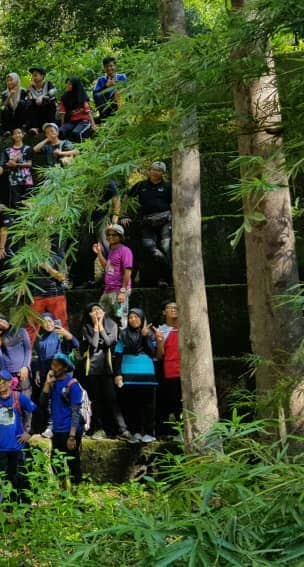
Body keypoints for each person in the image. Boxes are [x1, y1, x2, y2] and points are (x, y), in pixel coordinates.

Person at [0, 369, 38, 501]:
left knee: (21, 479)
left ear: (9, 383)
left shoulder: (19, 397)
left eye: (3, 380)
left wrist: (30, 433)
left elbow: (38, 412)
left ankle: (24, 509)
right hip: (0, 447)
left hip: (18, 447)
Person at [79, 303, 127, 440]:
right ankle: (99, 429)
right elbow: (94, 345)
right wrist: (95, 328)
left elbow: (108, 342)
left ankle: (122, 429)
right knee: (96, 400)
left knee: (112, 399)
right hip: (92, 367)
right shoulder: (86, 327)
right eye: (93, 311)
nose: (96, 312)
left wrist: (101, 328)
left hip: (108, 367)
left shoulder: (112, 324)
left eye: (99, 310)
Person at [40, 354, 85, 485]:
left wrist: (72, 436)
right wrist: (47, 383)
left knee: (73, 464)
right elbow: (42, 403)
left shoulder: (72, 385)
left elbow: (75, 412)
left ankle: (77, 495)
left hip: (69, 430)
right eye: (52, 364)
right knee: (56, 464)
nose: (53, 368)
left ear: (65, 368)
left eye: (57, 365)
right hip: (57, 430)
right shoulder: (53, 384)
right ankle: (63, 493)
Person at [126, 161, 172, 287]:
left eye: (159, 170)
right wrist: (124, 216)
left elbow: (175, 203)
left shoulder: (167, 187)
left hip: (164, 221)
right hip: (146, 221)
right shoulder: (141, 185)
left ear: (163, 173)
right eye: (153, 169)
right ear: (149, 170)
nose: (155, 172)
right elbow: (128, 200)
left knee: (166, 246)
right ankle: (167, 265)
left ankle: (164, 278)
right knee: (148, 246)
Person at [31, 313, 78, 435]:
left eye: (50, 321)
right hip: (46, 373)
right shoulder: (40, 338)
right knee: (49, 401)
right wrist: (36, 371)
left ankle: (69, 426)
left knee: (63, 399)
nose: (48, 323)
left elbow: (76, 345)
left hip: (62, 372)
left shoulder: (59, 334)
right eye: (44, 321)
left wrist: (66, 333)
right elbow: (38, 357)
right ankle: (51, 426)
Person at [116, 308, 158, 443]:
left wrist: (145, 336)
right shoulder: (123, 334)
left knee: (148, 405)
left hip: (146, 374)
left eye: (136, 317)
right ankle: (135, 432)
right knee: (131, 405)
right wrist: (118, 374)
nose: (133, 320)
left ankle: (149, 433)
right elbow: (118, 355)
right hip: (128, 374)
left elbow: (153, 353)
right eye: (130, 317)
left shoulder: (149, 333)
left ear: (142, 318)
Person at [95, 223, 134, 320]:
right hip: (108, 290)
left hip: (119, 291)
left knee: (120, 319)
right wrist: (99, 253)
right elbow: (107, 268)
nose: (110, 237)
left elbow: (128, 271)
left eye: (114, 235)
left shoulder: (125, 251)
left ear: (121, 237)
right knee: (102, 317)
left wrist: (123, 291)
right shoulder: (112, 251)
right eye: (109, 235)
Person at [155, 302, 181, 440]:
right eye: (170, 308)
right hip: (169, 370)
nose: (173, 310)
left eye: (176, 308)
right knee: (171, 400)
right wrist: (159, 342)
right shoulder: (161, 330)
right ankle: (168, 431)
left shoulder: (185, 327)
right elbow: (160, 356)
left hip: (186, 370)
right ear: (164, 312)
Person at [0, 128, 34, 208]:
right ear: (12, 136)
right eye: (15, 133)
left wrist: (16, 164)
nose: (17, 135)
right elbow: (5, 164)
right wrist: (10, 162)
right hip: (14, 180)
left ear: (23, 135)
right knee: (16, 203)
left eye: (19, 133)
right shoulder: (8, 150)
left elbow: (30, 164)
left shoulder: (28, 148)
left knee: (29, 203)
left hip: (27, 180)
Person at [57, 77, 96, 143]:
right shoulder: (64, 97)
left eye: (70, 84)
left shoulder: (81, 96)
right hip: (71, 122)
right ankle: (64, 148)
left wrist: (93, 125)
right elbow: (62, 113)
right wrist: (62, 126)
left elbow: (88, 111)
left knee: (76, 133)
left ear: (75, 86)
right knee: (60, 131)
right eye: (67, 83)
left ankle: (79, 150)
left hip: (83, 121)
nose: (67, 85)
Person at [23, 66, 56, 135]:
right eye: (33, 76)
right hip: (36, 110)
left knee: (51, 103)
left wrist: (42, 97)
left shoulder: (48, 84)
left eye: (36, 75)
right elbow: (28, 99)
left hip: (46, 109)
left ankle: (52, 126)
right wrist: (29, 90)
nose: (33, 77)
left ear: (42, 76)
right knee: (29, 104)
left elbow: (53, 92)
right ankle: (34, 128)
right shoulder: (31, 87)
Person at [92, 56, 127, 121]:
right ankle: (104, 116)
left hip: (119, 102)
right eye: (106, 66)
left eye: (111, 66)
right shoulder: (101, 80)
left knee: (117, 93)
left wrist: (116, 86)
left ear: (115, 66)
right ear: (104, 68)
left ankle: (121, 114)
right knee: (97, 95)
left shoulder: (122, 77)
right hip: (105, 105)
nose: (109, 68)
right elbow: (95, 94)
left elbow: (128, 90)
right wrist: (106, 86)